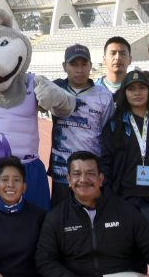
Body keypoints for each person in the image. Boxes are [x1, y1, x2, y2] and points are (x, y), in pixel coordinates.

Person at [36, 151, 149, 276]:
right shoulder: (56, 217)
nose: (83, 179)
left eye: (90, 174)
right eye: (77, 174)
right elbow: (45, 260)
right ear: (69, 180)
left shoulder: (125, 211)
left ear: (101, 179)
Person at [99, 70, 149, 218]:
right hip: (124, 198)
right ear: (124, 93)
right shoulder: (114, 124)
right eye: (131, 89)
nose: (137, 93)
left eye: (142, 88)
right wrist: (108, 196)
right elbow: (106, 162)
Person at [49, 43, 115, 206]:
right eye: (74, 64)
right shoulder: (55, 90)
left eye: (84, 64)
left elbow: (107, 133)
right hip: (62, 171)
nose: (79, 69)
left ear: (90, 66)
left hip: (90, 172)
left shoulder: (104, 96)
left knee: (91, 216)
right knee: (61, 216)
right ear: (64, 66)